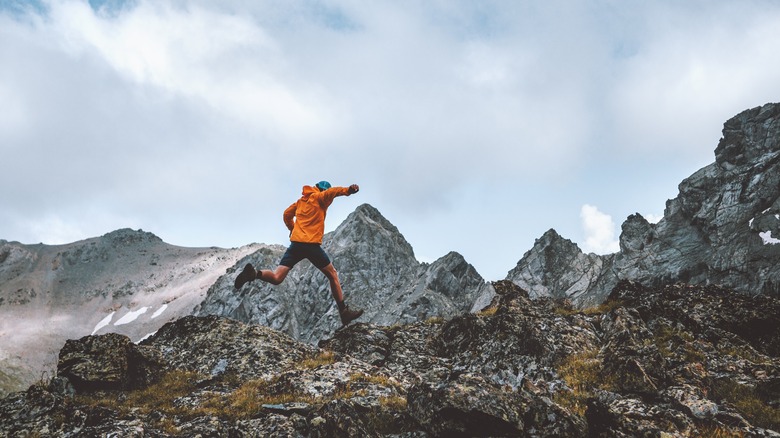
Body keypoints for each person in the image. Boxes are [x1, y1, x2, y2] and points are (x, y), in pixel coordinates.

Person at [234, 181, 364, 326]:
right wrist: (349, 190)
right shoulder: (321, 197)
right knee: (332, 274)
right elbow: (333, 192)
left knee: (277, 277)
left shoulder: (300, 202)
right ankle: (344, 312)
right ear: (322, 190)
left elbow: (286, 214)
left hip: (296, 245)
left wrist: (293, 229)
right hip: (311, 245)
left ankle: (254, 274)